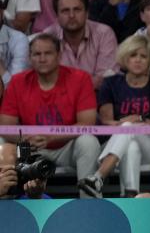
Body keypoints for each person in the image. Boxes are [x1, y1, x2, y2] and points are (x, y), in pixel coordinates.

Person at [0, 34, 100, 192]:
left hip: (66, 147)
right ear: (30, 58)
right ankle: (6, 197)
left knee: (88, 141)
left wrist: (51, 137)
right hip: (30, 148)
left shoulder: (80, 79)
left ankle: (89, 199)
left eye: (48, 53)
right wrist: (26, 138)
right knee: (1, 142)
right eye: (37, 54)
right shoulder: (18, 82)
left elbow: (87, 123)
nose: (42, 59)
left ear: (59, 55)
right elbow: (6, 126)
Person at [78, 34, 150, 198]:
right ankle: (130, 196)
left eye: (143, 56)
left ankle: (99, 176)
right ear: (125, 58)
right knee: (131, 145)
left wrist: (138, 120)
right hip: (118, 144)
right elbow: (106, 123)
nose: (138, 60)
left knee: (128, 128)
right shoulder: (111, 84)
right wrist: (128, 124)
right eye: (133, 55)